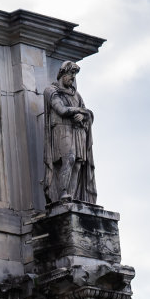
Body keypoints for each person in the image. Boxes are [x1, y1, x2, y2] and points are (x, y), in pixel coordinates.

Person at [43, 60, 97, 203]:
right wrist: (79, 111)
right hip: (61, 129)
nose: (73, 78)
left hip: (77, 131)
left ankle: (71, 197)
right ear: (62, 73)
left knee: (78, 164)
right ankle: (63, 192)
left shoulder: (76, 95)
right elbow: (61, 109)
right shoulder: (51, 91)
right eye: (70, 74)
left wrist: (83, 115)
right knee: (69, 158)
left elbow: (88, 113)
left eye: (74, 75)